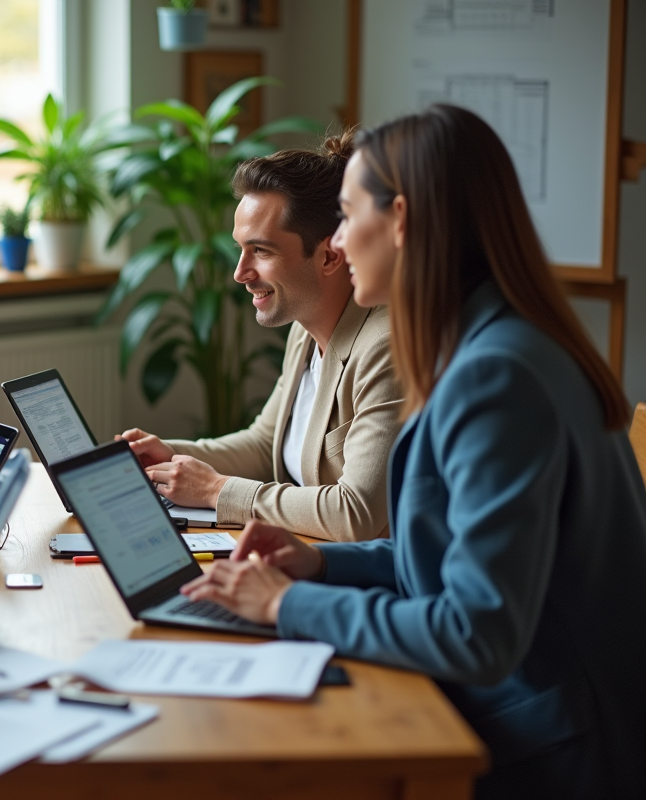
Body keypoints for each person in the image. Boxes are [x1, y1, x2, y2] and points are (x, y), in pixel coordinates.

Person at [181, 105, 646, 797]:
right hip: (534, 718)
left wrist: (287, 605)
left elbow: (475, 631)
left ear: (399, 220)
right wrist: (319, 563)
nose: (339, 242)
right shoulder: (494, 343)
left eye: (346, 216)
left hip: (551, 751)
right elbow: (449, 556)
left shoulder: (495, 377)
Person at [120, 132, 402, 541]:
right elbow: (264, 442)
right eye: (240, 248)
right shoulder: (305, 330)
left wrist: (216, 490)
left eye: (261, 251)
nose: (240, 273)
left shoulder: (386, 346)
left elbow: (356, 513)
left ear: (329, 255)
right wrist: (172, 455)